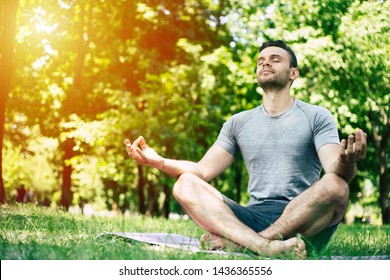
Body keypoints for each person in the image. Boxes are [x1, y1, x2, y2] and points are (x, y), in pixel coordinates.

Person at [125, 40, 367, 259]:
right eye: (261, 61)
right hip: (250, 218)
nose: (266, 63)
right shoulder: (238, 123)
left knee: (337, 185)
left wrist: (347, 162)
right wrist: (158, 161)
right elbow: (202, 170)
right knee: (185, 183)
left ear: (294, 73)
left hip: (303, 219)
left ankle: (245, 245)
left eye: (275, 59)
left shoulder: (317, 116)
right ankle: (265, 246)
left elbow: (336, 172)